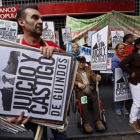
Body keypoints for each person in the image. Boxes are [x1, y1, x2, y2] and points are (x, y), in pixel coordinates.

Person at [6, 4, 67, 140]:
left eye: (41, 18)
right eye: (34, 18)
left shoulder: (52, 45)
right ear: (21, 22)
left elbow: (72, 68)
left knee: (61, 136)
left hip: (54, 110)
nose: (40, 21)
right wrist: (8, 111)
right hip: (30, 114)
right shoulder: (11, 53)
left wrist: (58, 54)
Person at [75, 56, 105, 133]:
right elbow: (72, 81)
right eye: (80, 62)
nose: (81, 64)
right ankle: (86, 122)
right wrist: (78, 83)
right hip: (81, 89)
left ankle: (98, 120)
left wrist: (97, 77)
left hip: (90, 87)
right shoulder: (74, 70)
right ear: (77, 62)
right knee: (83, 100)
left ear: (85, 62)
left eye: (83, 62)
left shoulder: (88, 68)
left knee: (96, 97)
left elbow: (93, 76)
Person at [119, 38, 140, 133]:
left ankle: (138, 118)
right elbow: (122, 64)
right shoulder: (133, 55)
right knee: (137, 103)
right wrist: (130, 72)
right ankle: (132, 121)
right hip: (135, 82)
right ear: (138, 45)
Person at [111, 43, 129, 116]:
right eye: (120, 48)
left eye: (123, 48)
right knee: (118, 93)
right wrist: (124, 67)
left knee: (124, 92)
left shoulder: (127, 57)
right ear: (117, 50)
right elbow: (113, 69)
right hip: (117, 79)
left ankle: (123, 107)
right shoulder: (115, 58)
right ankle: (117, 107)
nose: (122, 50)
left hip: (126, 78)